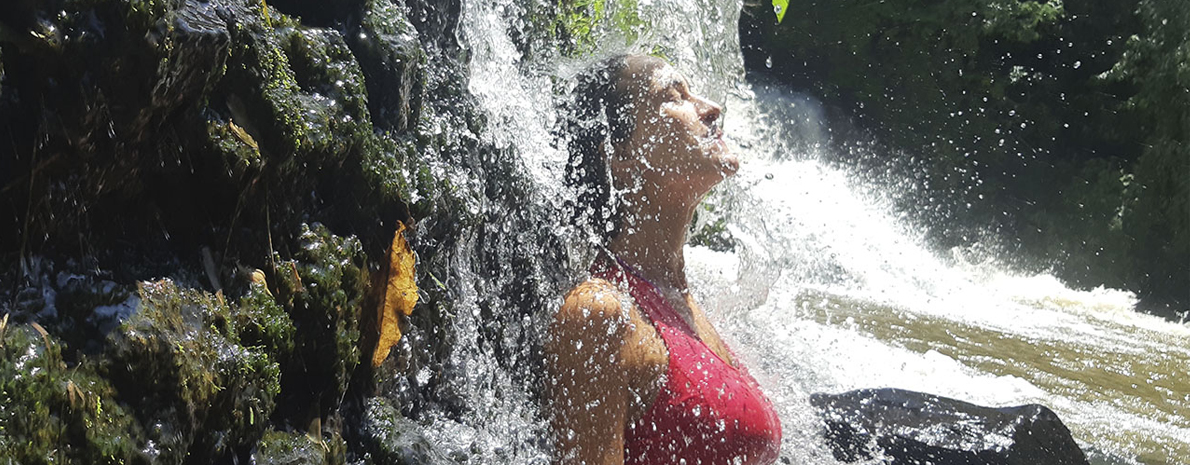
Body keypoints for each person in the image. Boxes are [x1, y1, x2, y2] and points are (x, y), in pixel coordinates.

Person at [545, 54, 782, 465]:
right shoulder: (601, 314)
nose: (711, 108)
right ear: (619, 157)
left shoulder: (684, 304)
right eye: (675, 96)